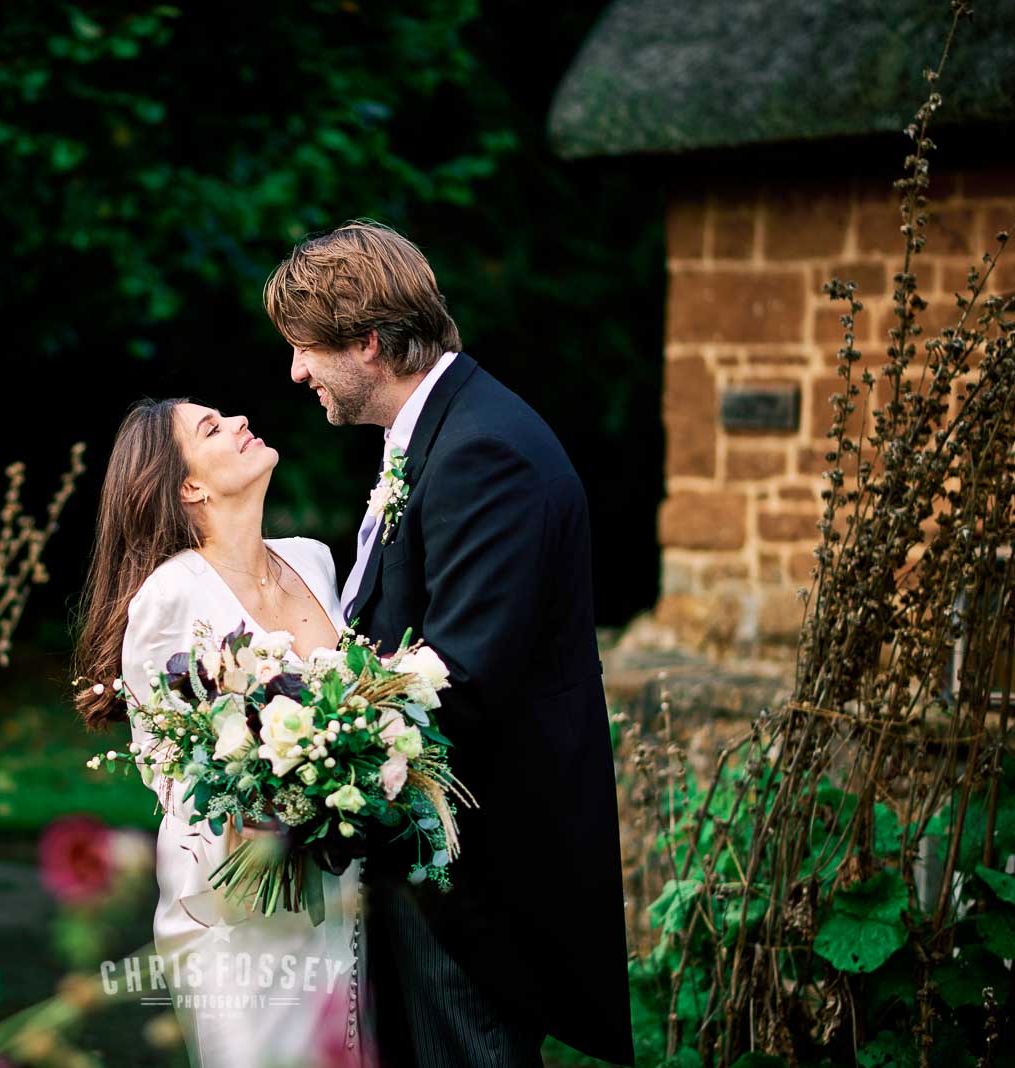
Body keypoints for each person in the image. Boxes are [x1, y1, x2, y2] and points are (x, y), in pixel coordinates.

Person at [262, 220, 634, 1067]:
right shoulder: (441, 430)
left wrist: (313, 753)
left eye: (304, 349)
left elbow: (460, 680)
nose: (295, 372)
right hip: (434, 860)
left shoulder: (485, 451)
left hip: (476, 879)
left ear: (368, 344)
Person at [74, 398, 372, 1068]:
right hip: (242, 909)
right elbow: (169, 767)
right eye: (211, 428)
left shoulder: (316, 561)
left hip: (342, 889)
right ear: (190, 487)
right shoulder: (170, 595)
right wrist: (264, 801)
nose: (239, 420)